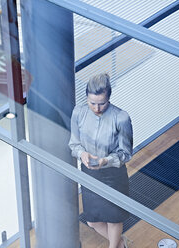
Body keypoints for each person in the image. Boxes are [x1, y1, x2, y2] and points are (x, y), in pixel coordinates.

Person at [69, 73, 133, 248]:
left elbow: (126, 154)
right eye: (92, 103)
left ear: (109, 98)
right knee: (93, 221)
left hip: (113, 174)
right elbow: (74, 144)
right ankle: (121, 244)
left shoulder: (121, 118)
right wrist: (82, 154)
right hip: (89, 173)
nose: (96, 108)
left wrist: (106, 161)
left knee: (113, 218)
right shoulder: (79, 113)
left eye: (102, 103)